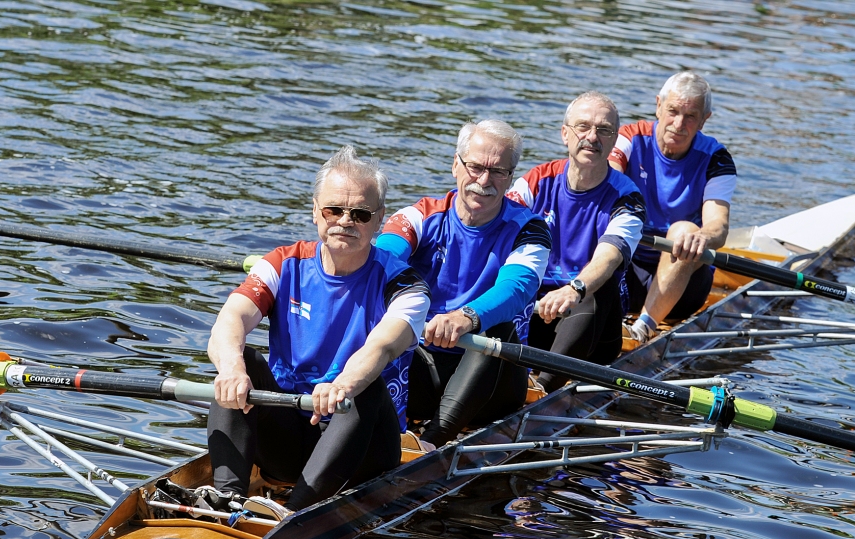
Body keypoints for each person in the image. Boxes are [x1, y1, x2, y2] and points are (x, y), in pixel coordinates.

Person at [206, 146, 430, 512]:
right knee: (241, 358)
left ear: (379, 220)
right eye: (333, 210)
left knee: (364, 385)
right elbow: (230, 320)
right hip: (291, 434)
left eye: (360, 213)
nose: (345, 221)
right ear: (315, 212)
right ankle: (225, 498)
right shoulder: (281, 263)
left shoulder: (404, 284)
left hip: (363, 447)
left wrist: (342, 385)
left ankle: (296, 512)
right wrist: (232, 371)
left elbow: (381, 348)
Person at [377, 120, 551, 449]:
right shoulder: (417, 217)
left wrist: (465, 317)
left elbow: (517, 288)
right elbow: (379, 264)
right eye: (476, 167)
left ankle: (430, 443)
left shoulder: (530, 230)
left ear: (511, 177)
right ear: (456, 164)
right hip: (424, 364)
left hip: (493, 381)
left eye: (498, 171)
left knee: (497, 328)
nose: (484, 181)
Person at [507, 92, 645, 392]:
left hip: (591, 323)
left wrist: (574, 289)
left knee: (600, 284)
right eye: (583, 127)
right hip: (534, 312)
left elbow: (607, 258)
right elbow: (496, 232)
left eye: (604, 130)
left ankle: (541, 390)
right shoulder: (535, 181)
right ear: (565, 134)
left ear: (614, 140)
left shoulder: (628, 197)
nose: (592, 137)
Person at [608, 71, 737, 342]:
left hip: (683, 281)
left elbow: (718, 226)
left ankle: (642, 329)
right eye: (673, 111)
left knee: (684, 230)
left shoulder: (717, 159)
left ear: (704, 120)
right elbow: (606, 184)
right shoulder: (629, 138)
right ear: (658, 106)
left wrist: (701, 236)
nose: (679, 124)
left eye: (690, 116)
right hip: (623, 270)